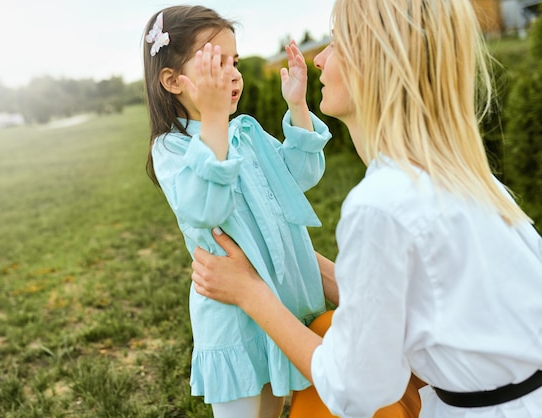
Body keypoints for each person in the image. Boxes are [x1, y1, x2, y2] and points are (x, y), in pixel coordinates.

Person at [190, 0, 542, 417]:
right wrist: (285, 252)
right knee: (326, 325)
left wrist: (251, 292)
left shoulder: (382, 205)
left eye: (336, 43)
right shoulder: (467, 179)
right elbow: (413, 299)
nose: (319, 58)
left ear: (375, 63)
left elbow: (353, 388)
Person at [142, 6, 334, 418]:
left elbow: (299, 176)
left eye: (234, 62)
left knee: (276, 405)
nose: (231, 74)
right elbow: (206, 208)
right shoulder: (172, 149)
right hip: (234, 315)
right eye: (215, 63)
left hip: (279, 300)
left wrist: (297, 105)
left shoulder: (244, 131)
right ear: (172, 81)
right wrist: (212, 117)